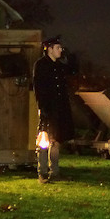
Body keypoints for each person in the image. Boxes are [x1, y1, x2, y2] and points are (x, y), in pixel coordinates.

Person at [32, 35, 75, 183]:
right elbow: (39, 88)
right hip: (48, 108)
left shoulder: (59, 66)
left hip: (59, 108)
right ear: (49, 49)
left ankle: (54, 171)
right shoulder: (41, 65)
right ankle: (42, 172)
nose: (60, 50)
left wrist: (69, 56)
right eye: (58, 48)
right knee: (44, 140)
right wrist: (42, 108)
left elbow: (72, 70)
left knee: (56, 140)